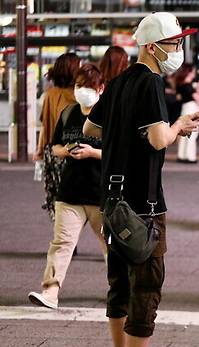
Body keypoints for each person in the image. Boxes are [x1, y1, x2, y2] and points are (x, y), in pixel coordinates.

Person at [83, 11, 199, 347]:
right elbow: (156, 139)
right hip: (143, 205)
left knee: (118, 285)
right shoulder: (151, 82)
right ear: (152, 47)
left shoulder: (118, 83)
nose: (178, 50)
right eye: (174, 43)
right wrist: (180, 124)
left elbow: (89, 129)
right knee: (146, 288)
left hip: (112, 200)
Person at [28, 64, 106, 310]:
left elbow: (119, 152)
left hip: (101, 194)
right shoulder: (68, 113)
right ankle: (50, 292)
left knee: (112, 247)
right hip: (70, 192)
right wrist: (68, 151)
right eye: (79, 86)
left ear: (100, 89)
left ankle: (120, 291)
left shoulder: (109, 115)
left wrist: (93, 152)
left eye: (88, 87)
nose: (82, 91)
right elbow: (55, 146)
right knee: (61, 244)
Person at [35, 53, 81, 221]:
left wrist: (40, 151)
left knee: (58, 197)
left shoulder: (51, 94)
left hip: (55, 152)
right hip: (78, 151)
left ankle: (66, 235)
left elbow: (45, 125)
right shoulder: (80, 94)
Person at [176, 64, 199, 163]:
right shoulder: (189, 86)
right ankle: (190, 156)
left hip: (184, 109)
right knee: (192, 133)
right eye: (193, 71)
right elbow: (198, 99)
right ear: (189, 72)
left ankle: (181, 155)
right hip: (191, 109)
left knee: (184, 133)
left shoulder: (181, 84)